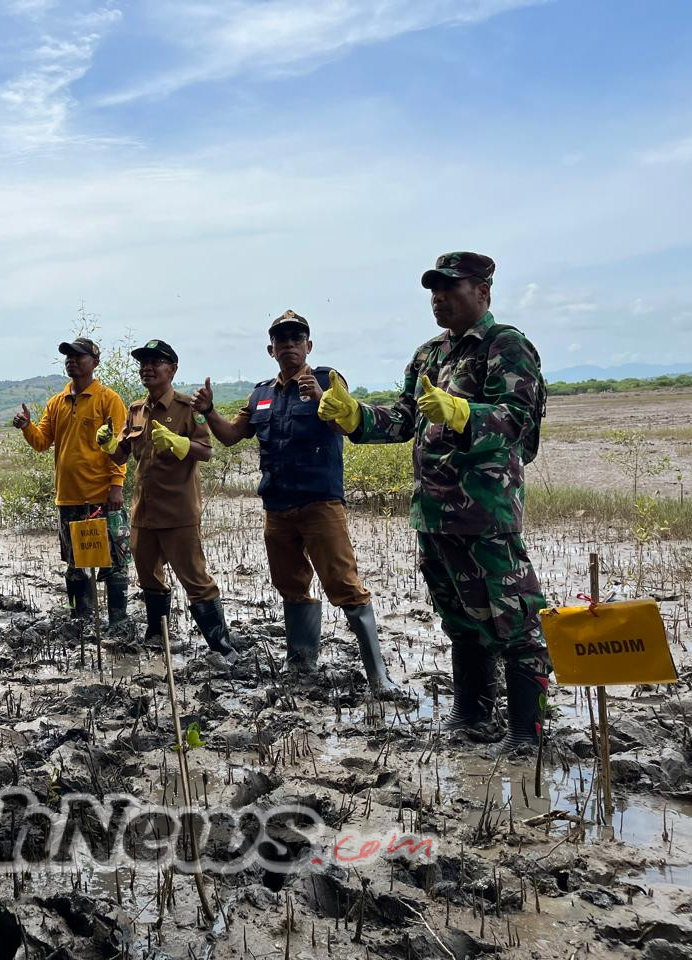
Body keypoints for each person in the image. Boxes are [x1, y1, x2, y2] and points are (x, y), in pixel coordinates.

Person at [318, 251, 551, 752]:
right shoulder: (428, 355)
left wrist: (465, 413)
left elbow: (517, 420)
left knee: (514, 622)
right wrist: (356, 416)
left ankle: (525, 731)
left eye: (450, 288)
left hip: (486, 515)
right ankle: (471, 715)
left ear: (483, 291)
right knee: (461, 621)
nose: (438, 298)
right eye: (433, 290)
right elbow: (405, 419)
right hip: (434, 513)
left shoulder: (505, 347)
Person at [193, 311, 401, 696]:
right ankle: (302, 662)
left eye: (297, 338)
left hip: (320, 503)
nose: (289, 344)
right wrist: (208, 411)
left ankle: (378, 675)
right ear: (271, 349)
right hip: (278, 507)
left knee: (344, 585)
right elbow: (229, 436)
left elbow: (346, 425)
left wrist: (322, 400)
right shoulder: (260, 394)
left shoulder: (327, 381)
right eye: (281, 339)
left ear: (309, 345)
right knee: (290, 584)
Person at [98, 339, 234, 661]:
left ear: (172, 369)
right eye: (143, 363)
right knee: (148, 576)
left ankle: (222, 646)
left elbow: (208, 451)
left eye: (156, 362)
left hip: (178, 512)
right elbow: (122, 453)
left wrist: (180, 443)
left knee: (196, 580)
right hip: (143, 512)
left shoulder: (188, 409)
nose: (147, 367)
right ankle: (156, 637)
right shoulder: (135, 411)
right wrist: (107, 446)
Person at [13, 338, 130, 624]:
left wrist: (116, 486)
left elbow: (120, 446)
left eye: (79, 356)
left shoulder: (108, 399)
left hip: (103, 497)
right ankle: (81, 621)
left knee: (115, 563)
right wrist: (27, 426)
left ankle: (117, 622)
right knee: (76, 567)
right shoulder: (56, 403)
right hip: (69, 498)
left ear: (95, 362)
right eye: (68, 356)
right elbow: (42, 442)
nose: (72, 360)